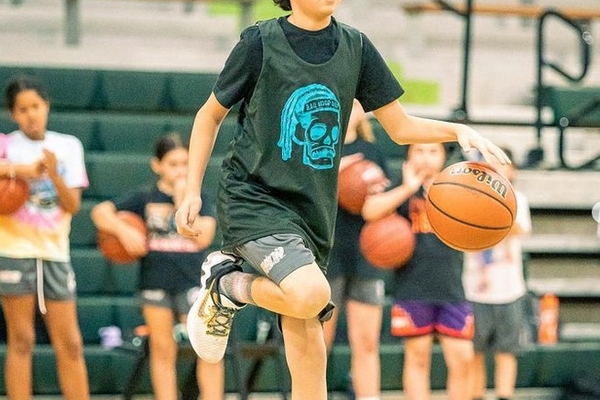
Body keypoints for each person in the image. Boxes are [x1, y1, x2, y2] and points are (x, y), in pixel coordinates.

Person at [174, 1, 510, 399]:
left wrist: (457, 131)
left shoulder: (357, 47)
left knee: (311, 357)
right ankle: (227, 286)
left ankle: (231, 287)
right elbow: (209, 115)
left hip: (313, 213)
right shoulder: (260, 42)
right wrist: (192, 189)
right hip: (255, 198)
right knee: (310, 294)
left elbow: (400, 127)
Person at [90, 133, 224, 400]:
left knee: (207, 348)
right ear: (157, 165)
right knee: (162, 349)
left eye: (185, 163)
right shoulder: (145, 197)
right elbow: (99, 212)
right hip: (155, 280)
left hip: (192, 281)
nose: (180, 170)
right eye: (173, 164)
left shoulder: (200, 199)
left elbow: (204, 237)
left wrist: (181, 200)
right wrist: (123, 230)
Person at [0, 76, 91, 400]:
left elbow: (73, 205)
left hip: (55, 253)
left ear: (47, 106)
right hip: (14, 251)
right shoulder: (6, 145)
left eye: (36, 106)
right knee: (21, 339)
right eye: (23, 109)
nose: (31, 114)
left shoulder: (68, 146)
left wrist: (52, 173)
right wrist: (20, 171)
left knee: (71, 343)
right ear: (14, 114)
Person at [362, 142, 474, 400]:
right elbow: (369, 210)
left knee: (463, 359)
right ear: (408, 156)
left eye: (433, 151)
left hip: (452, 287)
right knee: (417, 358)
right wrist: (408, 188)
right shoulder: (401, 186)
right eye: (419, 151)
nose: (426, 157)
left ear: (444, 156)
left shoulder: (456, 188)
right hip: (412, 287)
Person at [323, 99, 390, 400]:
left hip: (366, 254)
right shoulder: (319, 149)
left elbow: (385, 205)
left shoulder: (373, 152)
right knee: (318, 344)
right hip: (327, 253)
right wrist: (337, 173)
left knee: (366, 343)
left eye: (358, 102)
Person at [462, 147, 532, 400]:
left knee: (507, 351)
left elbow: (519, 228)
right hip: (475, 288)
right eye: (491, 164)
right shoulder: (468, 198)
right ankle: (475, 395)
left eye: (502, 164)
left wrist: (490, 217)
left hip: (509, 289)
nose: (497, 169)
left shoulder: (517, 199)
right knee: (474, 352)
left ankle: (504, 394)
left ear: (513, 171)